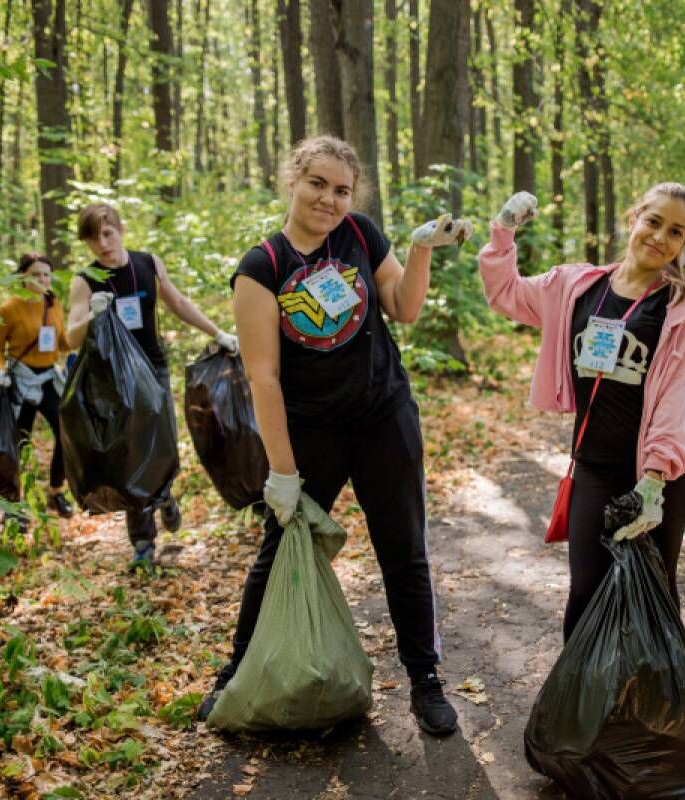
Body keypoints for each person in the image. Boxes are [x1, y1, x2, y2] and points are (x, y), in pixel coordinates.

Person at [199, 135, 471, 737]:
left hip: (383, 418)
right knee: (278, 550)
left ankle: (425, 682)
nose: (328, 199)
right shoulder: (262, 267)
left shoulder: (361, 235)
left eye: (341, 190)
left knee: (405, 549)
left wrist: (421, 248)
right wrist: (282, 472)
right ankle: (236, 673)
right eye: (317, 184)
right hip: (311, 430)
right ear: (292, 181)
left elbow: (402, 306)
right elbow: (263, 377)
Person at [478, 184, 685, 641]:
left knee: (655, 600)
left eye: (675, 232)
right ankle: (583, 707)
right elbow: (506, 293)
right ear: (633, 218)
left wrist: (654, 482)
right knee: (585, 596)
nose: (660, 237)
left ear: (683, 244)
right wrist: (502, 232)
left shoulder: (678, 312)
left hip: (655, 480)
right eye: (653, 221)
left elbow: (672, 404)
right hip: (594, 472)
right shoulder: (575, 286)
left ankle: (651, 706)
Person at [64, 203, 239, 570]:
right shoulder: (85, 280)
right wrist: (93, 314)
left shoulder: (147, 264)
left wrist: (218, 333)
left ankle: (165, 496)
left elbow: (176, 302)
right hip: (112, 382)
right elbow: (69, 337)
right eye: (93, 238)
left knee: (162, 446)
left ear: (120, 229)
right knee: (132, 460)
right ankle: (143, 543)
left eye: (107, 233)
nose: (102, 244)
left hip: (153, 371)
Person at [0, 252, 74, 518]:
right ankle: (14, 503)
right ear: (22, 277)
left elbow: (63, 343)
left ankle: (57, 491)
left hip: (49, 377)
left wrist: (88, 326)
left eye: (46, 274)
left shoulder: (54, 303)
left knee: (65, 433)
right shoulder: (8, 309)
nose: (42, 279)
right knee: (19, 441)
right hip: (20, 379)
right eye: (35, 274)